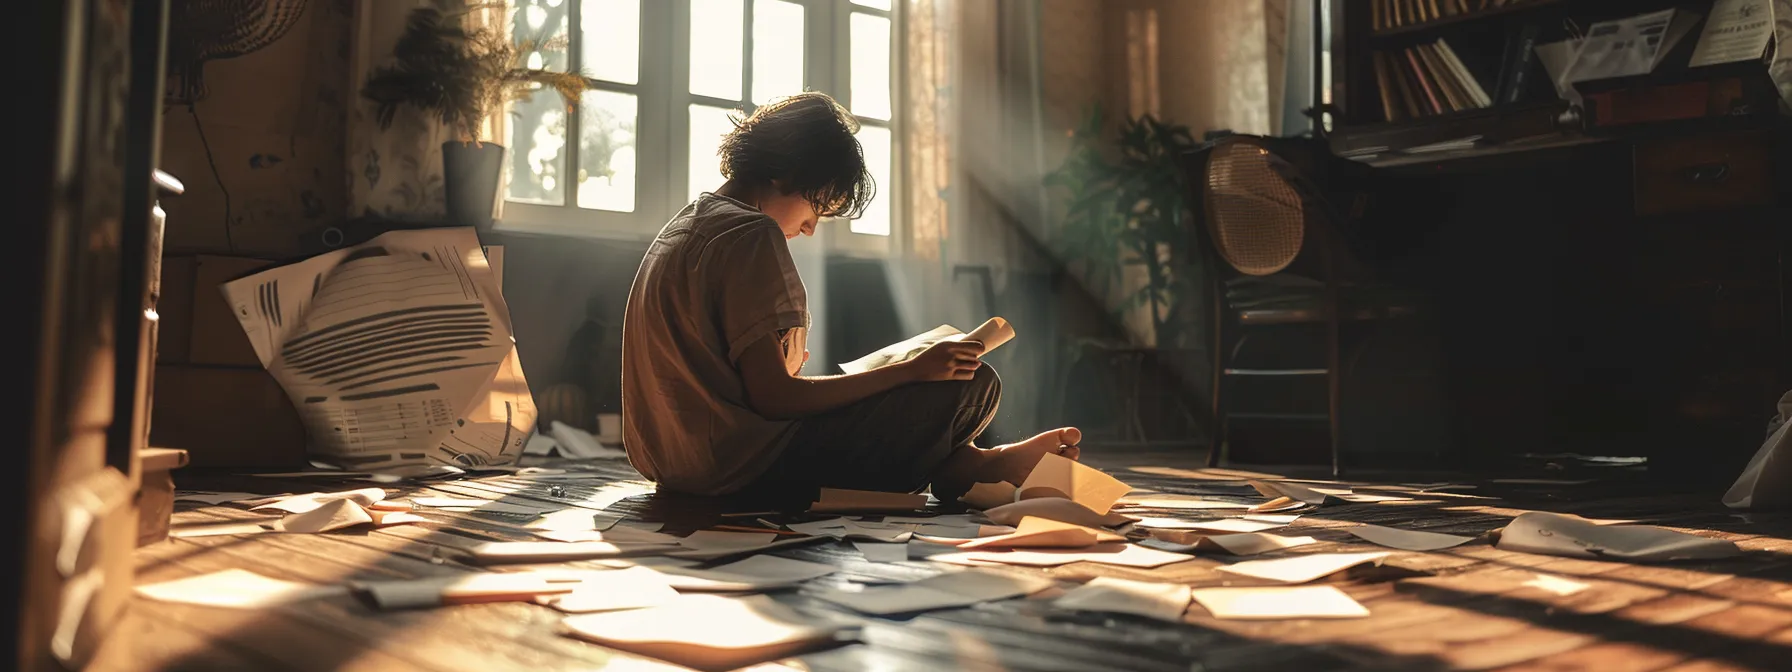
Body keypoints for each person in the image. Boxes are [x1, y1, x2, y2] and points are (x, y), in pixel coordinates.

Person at [620, 92, 1080, 501]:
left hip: (676, 466)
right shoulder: (751, 233)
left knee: (927, 375)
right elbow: (775, 399)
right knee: (970, 383)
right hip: (741, 468)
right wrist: (909, 370)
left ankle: (971, 466)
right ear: (786, 173)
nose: (809, 227)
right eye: (816, 206)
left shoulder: (685, 224)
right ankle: (971, 467)